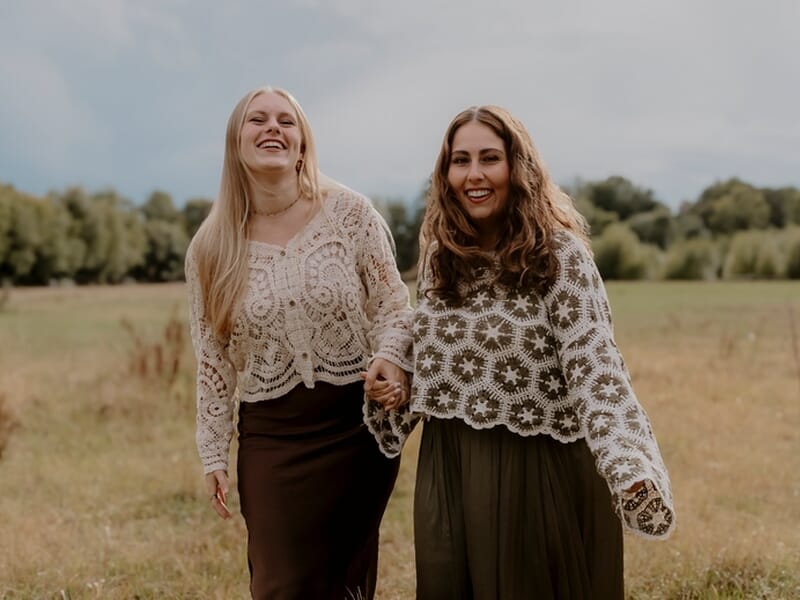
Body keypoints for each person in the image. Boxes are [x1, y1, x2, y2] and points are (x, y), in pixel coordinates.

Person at [395, 105, 675, 599]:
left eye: (489, 158)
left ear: (517, 168)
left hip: (534, 476)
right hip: (451, 470)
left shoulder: (559, 256)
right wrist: (394, 374)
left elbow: (596, 365)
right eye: (460, 160)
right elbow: (434, 349)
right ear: (445, 174)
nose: (474, 174)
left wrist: (626, 463)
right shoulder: (441, 258)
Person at [185, 85, 413, 600]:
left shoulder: (351, 215)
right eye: (257, 120)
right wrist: (213, 452)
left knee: (344, 583)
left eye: (286, 121)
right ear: (235, 143)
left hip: (356, 431)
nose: (273, 128)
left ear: (303, 142)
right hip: (272, 437)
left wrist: (392, 359)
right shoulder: (210, 246)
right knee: (279, 584)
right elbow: (212, 360)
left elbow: (393, 307)